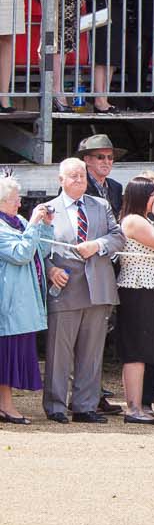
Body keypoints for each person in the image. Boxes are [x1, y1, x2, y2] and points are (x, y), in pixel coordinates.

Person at [42, 156, 120, 423]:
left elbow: (118, 236)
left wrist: (98, 245)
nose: (79, 180)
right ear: (60, 180)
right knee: (58, 353)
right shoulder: (47, 210)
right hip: (64, 290)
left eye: (82, 176)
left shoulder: (101, 205)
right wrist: (51, 269)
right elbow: (36, 248)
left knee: (92, 352)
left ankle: (85, 406)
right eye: (73, 176)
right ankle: (55, 406)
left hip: (98, 288)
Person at [113, 176, 154, 423]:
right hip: (136, 287)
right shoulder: (134, 221)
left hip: (147, 289)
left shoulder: (143, 220)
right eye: (153, 197)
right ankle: (133, 407)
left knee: (142, 350)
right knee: (136, 351)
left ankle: (137, 405)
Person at [0, 176, 53, 423]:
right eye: (14, 200)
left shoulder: (19, 221)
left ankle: (5, 405)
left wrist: (44, 226)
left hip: (24, 301)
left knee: (16, 351)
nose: (20, 204)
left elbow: (39, 251)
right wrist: (33, 224)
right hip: (8, 301)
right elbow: (20, 254)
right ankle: (6, 406)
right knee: (6, 354)